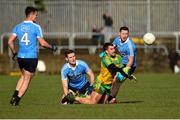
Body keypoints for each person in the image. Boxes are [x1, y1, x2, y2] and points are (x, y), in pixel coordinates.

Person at [8, 6, 57, 106]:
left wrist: (13, 52)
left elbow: (9, 42)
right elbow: (42, 43)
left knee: (23, 75)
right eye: (36, 15)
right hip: (31, 57)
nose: (36, 17)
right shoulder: (36, 27)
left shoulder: (18, 26)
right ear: (31, 15)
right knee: (27, 79)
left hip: (20, 57)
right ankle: (16, 100)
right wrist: (52, 47)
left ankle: (14, 95)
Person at [108, 26, 137, 103]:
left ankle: (110, 99)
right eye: (123, 33)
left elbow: (131, 60)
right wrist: (105, 54)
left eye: (126, 34)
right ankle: (108, 98)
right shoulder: (117, 39)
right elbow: (111, 48)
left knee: (117, 81)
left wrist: (126, 70)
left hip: (129, 66)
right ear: (119, 34)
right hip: (120, 63)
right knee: (111, 79)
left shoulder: (130, 46)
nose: (124, 35)